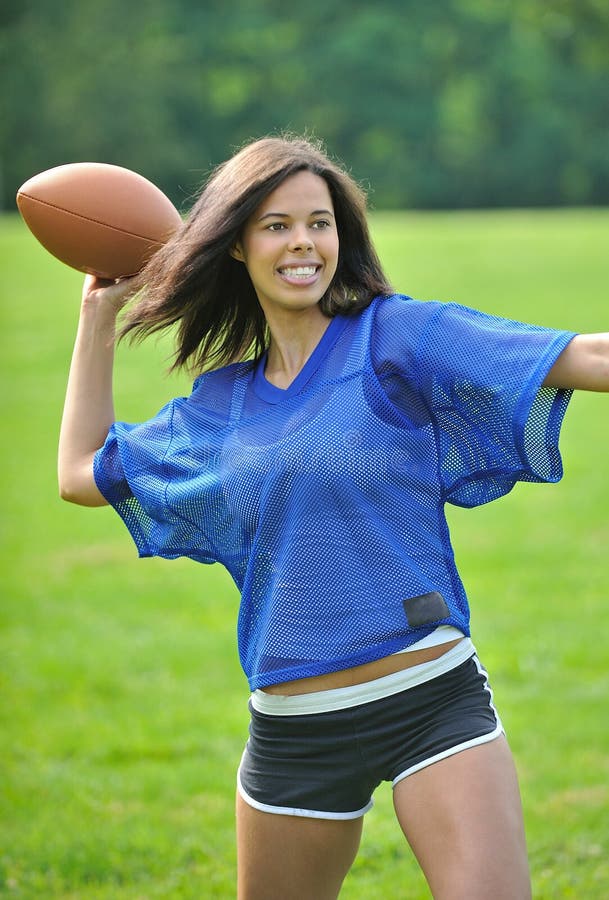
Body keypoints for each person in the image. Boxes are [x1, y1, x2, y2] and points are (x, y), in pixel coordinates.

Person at [58, 135, 609, 900]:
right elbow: (81, 474)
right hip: (295, 731)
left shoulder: (395, 336)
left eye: (319, 222)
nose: (302, 243)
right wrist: (98, 314)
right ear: (236, 246)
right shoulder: (219, 409)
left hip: (432, 700)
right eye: (276, 224)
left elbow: (588, 357)